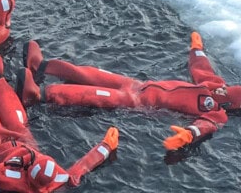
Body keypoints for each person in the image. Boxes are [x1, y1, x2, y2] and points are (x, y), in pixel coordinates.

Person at [0, 53, 119, 192]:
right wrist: (106, 146)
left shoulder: (8, 177)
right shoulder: (63, 180)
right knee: (18, 123)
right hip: (26, 142)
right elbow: (84, 165)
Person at [20, 32, 241, 152]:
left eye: (226, 92)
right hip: (137, 84)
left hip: (138, 101)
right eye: (225, 88)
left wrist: (188, 134)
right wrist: (197, 49)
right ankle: (41, 65)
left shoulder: (217, 114)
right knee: (92, 73)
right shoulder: (213, 83)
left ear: (231, 104)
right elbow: (201, 68)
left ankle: (37, 94)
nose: (222, 88)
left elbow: (204, 127)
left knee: (92, 93)